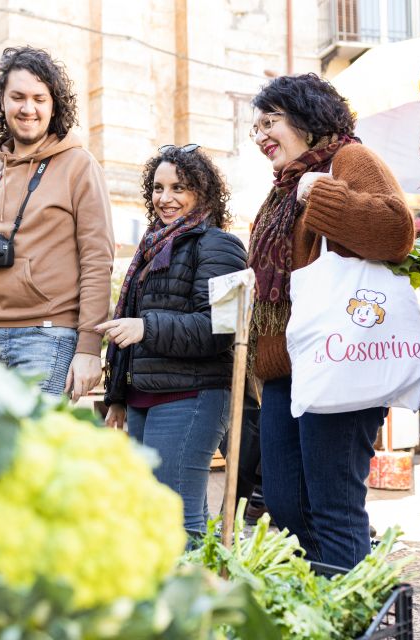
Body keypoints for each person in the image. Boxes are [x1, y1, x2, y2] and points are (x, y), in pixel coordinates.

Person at [246, 73, 415, 568]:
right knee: (285, 505)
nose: (260, 136)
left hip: (340, 361)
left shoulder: (348, 159)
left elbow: (395, 231)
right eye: (255, 127)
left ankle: (352, 613)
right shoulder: (280, 192)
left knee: (334, 508)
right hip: (287, 371)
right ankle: (321, 608)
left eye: (270, 122)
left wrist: (318, 194)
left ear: (308, 119)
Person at [98, 144, 246, 532]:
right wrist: (117, 397)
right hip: (145, 397)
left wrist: (146, 326)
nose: (165, 198)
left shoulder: (219, 245)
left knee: (177, 520)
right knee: (157, 515)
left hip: (192, 396)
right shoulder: (151, 247)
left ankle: (198, 591)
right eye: (158, 188)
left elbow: (220, 330)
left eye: (179, 188)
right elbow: (128, 327)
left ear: (202, 192)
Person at [0, 46, 114, 399]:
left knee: (30, 452)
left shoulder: (79, 166)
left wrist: (90, 347)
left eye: (38, 98)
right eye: (17, 97)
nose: (28, 108)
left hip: (46, 337)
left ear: (53, 105)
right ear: (2, 102)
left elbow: (97, 260)